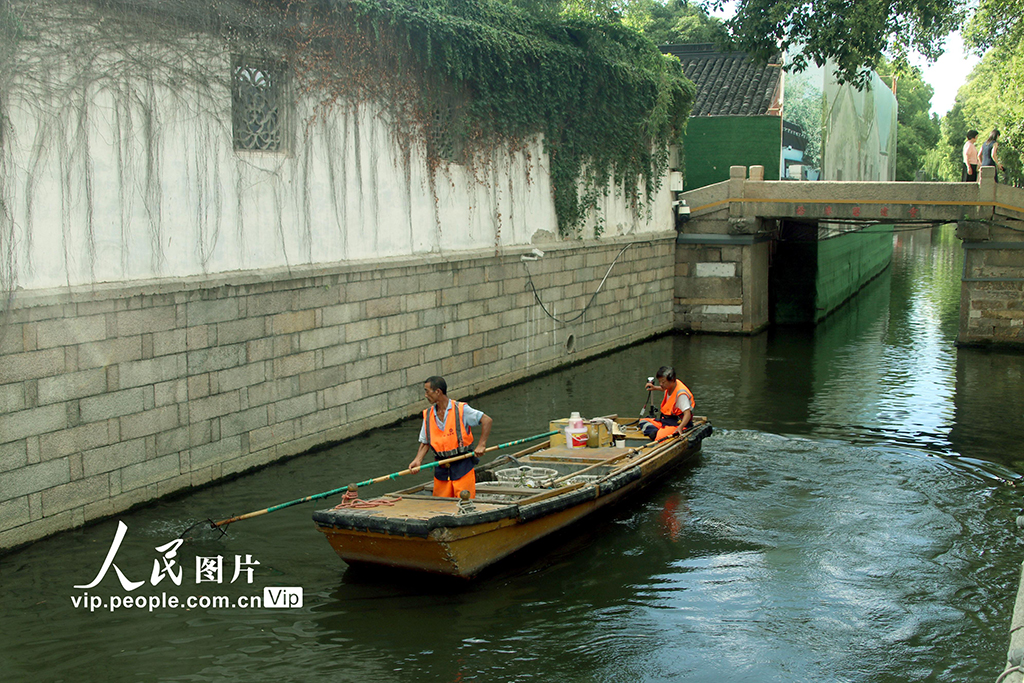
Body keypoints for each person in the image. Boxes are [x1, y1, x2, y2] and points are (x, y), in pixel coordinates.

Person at [409, 376, 492, 499]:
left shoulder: (461, 409)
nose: (426, 395)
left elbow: (487, 420)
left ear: (438, 391)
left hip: (462, 467)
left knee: (465, 502)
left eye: (427, 391)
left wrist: (482, 445)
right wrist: (418, 460)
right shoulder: (429, 414)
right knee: (441, 505)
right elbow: (425, 442)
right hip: (442, 469)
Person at [639, 366, 694, 441]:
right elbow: (664, 388)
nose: (661, 384)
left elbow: (687, 414)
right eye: (660, 382)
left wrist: (680, 428)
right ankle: (657, 431)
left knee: (660, 438)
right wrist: (654, 387)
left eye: (663, 382)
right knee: (643, 421)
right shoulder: (671, 385)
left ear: (671, 380)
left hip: (677, 423)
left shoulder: (681, 394)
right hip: (666, 420)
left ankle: (659, 433)